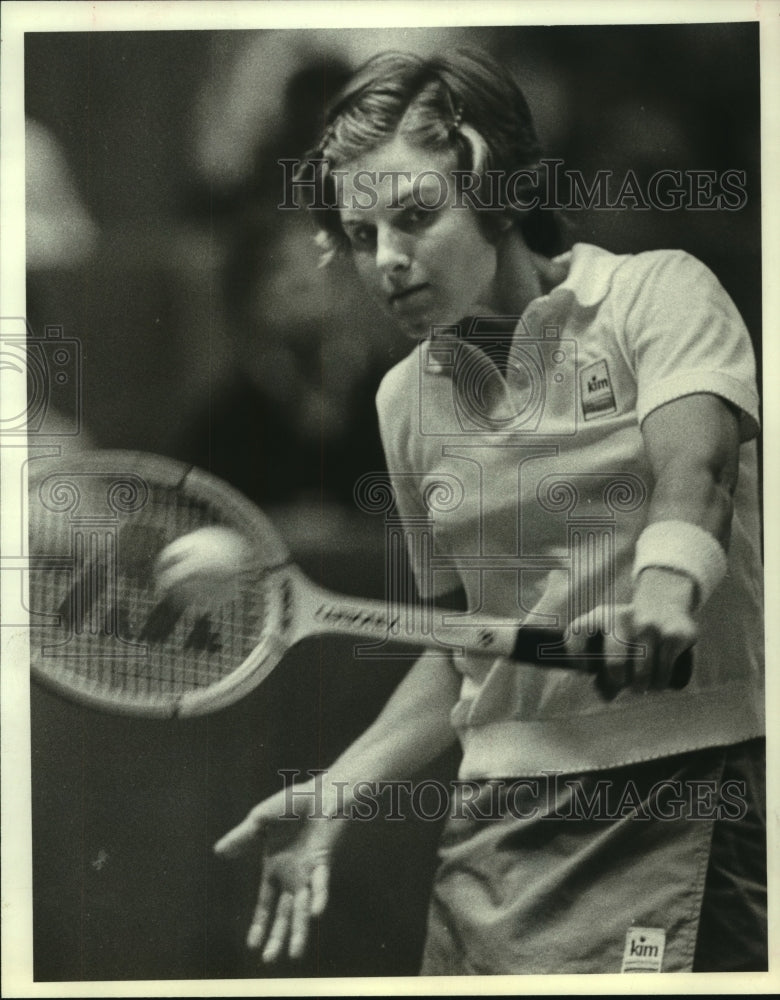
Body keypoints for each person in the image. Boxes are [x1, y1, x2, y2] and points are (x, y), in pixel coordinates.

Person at [161, 50, 766, 974]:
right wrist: (340, 789)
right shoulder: (406, 402)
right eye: (363, 236)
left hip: (680, 788)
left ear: (502, 191)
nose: (390, 261)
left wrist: (666, 585)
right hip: (497, 829)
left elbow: (701, 468)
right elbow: (463, 645)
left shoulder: (659, 294)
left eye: (415, 215)